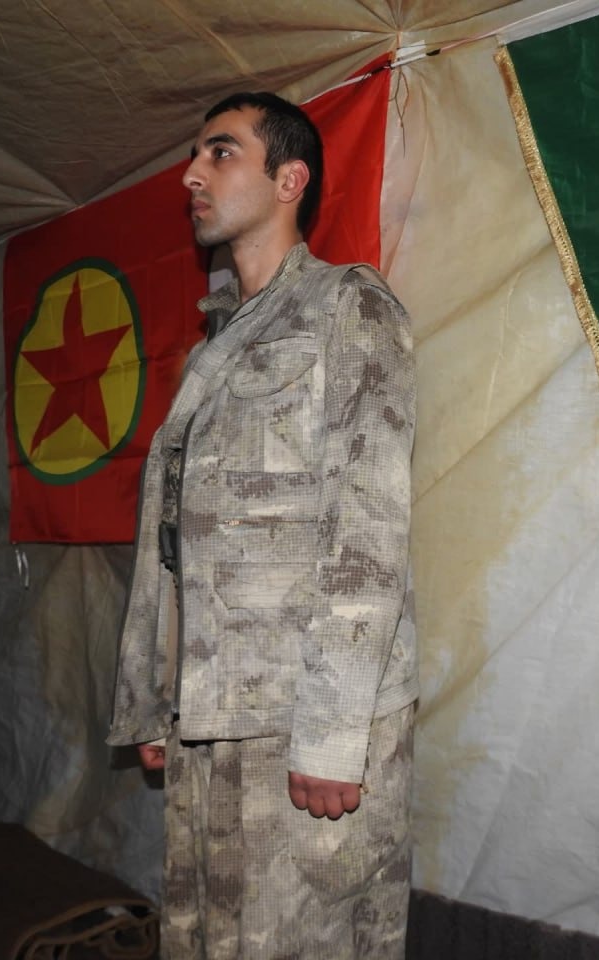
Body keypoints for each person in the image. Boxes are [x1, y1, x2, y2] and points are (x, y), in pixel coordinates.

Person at [108, 91, 418, 959]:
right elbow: (178, 540)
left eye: (220, 152)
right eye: (193, 156)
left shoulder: (347, 306)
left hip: (302, 718)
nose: (191, 174)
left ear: (290, 180)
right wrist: (155, 697)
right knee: (205, 936)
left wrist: (333, 736)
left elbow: (369, 531)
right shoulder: (215, 348)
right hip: (214, 712)